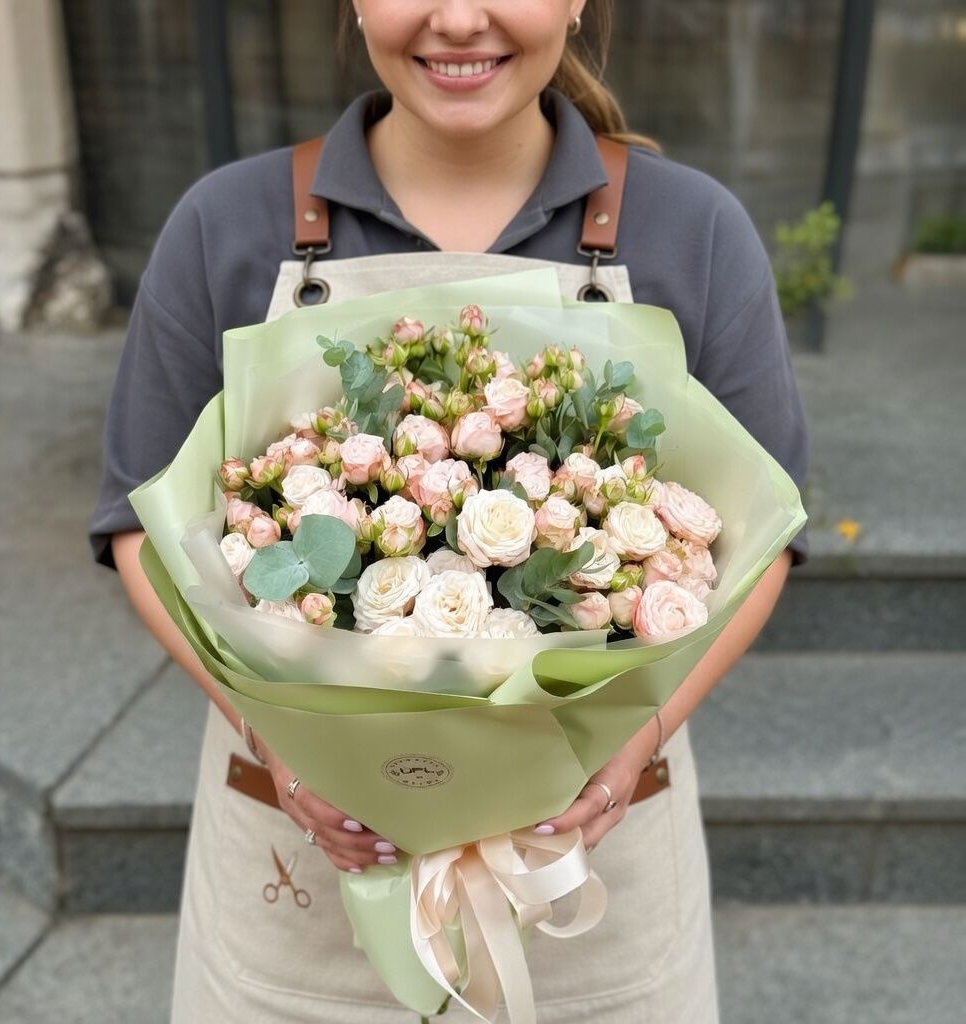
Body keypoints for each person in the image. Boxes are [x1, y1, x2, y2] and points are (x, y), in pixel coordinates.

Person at [89, 1, 809, 1021]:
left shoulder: (690, 230)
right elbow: (137, 524)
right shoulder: (228, 223)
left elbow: (764, 535)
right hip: (305, 875)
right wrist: (282, 747)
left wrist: (633, 742)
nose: (459, 19)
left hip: (585, 871)